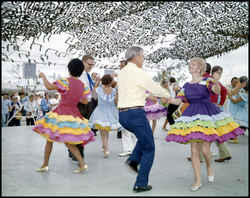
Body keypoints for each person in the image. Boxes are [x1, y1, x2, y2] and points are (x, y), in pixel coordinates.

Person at [165, 57, 245, 191]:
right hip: (191, 116)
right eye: (189, 64)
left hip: (207, 114)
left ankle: (209, 166)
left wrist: (215, 81)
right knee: (193, 149)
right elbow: (179, 101)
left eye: (193, 64)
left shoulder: (206, 81)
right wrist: (166, 99)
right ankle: (197, 180)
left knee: (206, 150)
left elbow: (217, 91)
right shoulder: (186, 85)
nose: (190, 65)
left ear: (200, 67)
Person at [117, 46, 170, 193]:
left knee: (144, 138)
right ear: (136, 56)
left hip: (123, 116)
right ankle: (140, 183)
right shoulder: (138, 72)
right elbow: (154, 87)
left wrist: (145, 96)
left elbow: (132, 90)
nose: (143, 59)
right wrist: (169, 96)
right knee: (149, 148)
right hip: (136, 114)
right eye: (143, 56)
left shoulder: (122, 73)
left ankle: (133, 160)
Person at [33, 58, 95, 173]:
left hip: (61, 113)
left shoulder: (65, 81)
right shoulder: (83, 85)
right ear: (81, 71)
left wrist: (43, 76)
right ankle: (82, 164)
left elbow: (49, 87)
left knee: (49, 139)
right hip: (73, 114)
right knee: (69, 142)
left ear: (69, 69)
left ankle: (45, 164)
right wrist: (75, 96)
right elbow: (85, 101)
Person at [88, 74, 121, 158]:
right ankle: (105, 147)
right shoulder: (114, 91)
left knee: (103, 131)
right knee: (106, 131)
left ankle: (105, 148)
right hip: (111, 112)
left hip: (100, 111)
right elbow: (116, 103)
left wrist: (97, 83)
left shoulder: (98, 89)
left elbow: (94, 97)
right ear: (110, 82)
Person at [228, 76, 248, 143]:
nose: (237, 83)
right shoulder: (241, 91)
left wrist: (229, 96)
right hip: (238, 112)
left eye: (238, 82)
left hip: (242, 113)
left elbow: (235, 101)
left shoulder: (245, 94)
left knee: (237, 124)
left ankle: (234, 137)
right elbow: (233, 93)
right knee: (235, 124)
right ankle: (234, 137)